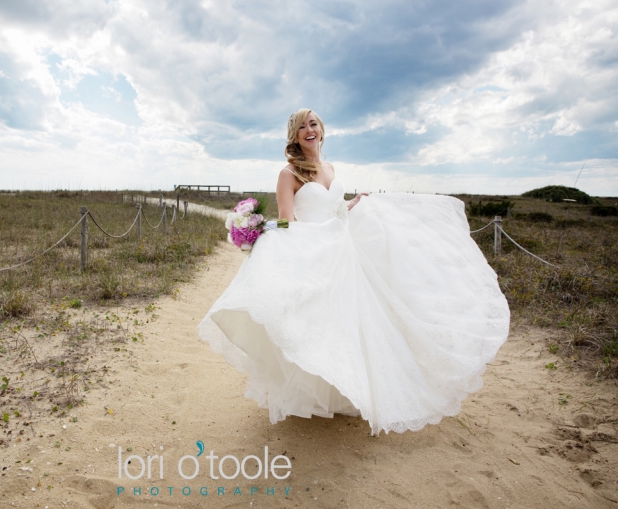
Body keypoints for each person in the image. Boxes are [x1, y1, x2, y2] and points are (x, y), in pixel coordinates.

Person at [198, 108, 509, 435]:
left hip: (344, 247)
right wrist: (259, 227)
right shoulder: (288, 174)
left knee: (351, 319)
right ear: (294, 135)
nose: (309, 130)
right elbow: (290, 219)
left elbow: (333, 207)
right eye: (301, 126)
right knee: (315, 321)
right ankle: (313, 389)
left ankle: (347, 390)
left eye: (313, 124)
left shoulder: (329, 167)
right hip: (315, 249)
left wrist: (352, 203)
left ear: (321, 129)